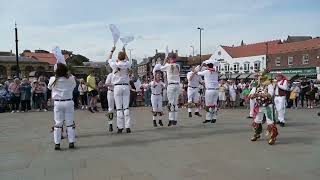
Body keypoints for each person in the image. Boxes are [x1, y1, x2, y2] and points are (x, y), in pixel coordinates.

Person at [48, 63, 76, 150]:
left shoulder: (53, 79)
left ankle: (57, 143)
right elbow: (74, 85)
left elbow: (49, 87)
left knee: (58, 123)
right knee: (70, 123)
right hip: (68, 102)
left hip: (58, 103)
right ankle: (71, 142)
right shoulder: (71, 78)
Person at [107, 46, 132, 133]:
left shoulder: (115, 64)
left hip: (117, 87)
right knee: (126, 107)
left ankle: (120, 127)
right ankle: (128, 126)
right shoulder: (126, 64)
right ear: (124, 57)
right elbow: (128, 60)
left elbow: (109, 59)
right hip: (125, 86)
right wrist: (125, 52)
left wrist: (112, 50)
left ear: (118, 58)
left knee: (119, 108)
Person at [250, 72, 278, 145]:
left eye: (262, 79)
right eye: (260, 79)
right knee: (256, 121)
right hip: (259, 106)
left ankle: (273, 137)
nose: (261, 80)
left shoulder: (269, 86)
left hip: (268, 106)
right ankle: (257, 133)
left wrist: (259, 94)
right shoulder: (256, 86)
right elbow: (250, 94)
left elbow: (270, 95)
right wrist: (252, 95)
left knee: (270, 122)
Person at [196, 59, 220, 124]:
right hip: (216, 90)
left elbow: (197, 72)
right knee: (214, 104)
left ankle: (208, 118)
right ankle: (214, 118)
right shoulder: (216, 71)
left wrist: (201, 66)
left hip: (209, 90)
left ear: (207, 66)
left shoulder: (206, 71)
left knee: (208, 105)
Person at [160, 53, 180, 126]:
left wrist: (165, 60)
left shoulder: (167, 65)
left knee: (171, 102)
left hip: (171, 85)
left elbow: (161, 68)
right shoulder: (178, 65)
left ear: (170, 59)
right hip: (177, 85)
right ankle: (175, 119)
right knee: (175, 102)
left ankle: (171, 119)